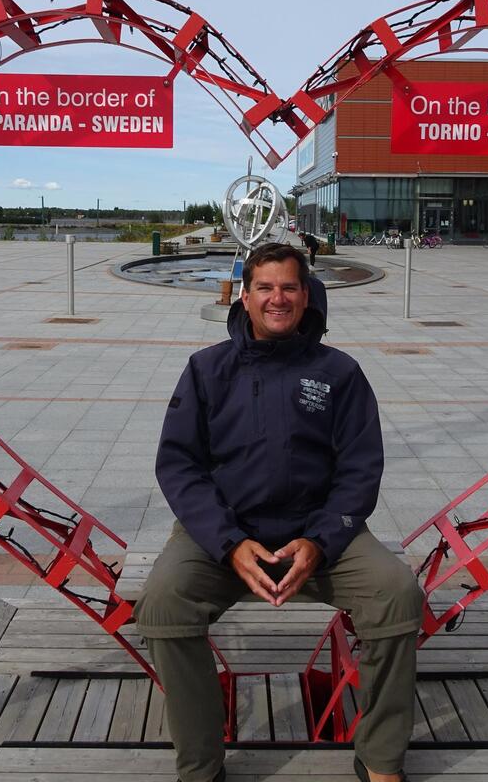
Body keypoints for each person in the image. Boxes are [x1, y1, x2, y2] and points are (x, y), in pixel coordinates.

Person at [136, 242, 422, 782]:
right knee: (163, 603)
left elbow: (361, 470)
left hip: (319, 538)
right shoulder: (206, 370)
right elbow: (178, 465)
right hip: (225, 535)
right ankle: (200, 765)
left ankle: (381, 759)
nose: (277, 298)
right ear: (244, 296)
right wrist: (226, 541)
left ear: (307, 295)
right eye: (264, 287)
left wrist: (320, 540)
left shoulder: (339, 372)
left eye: (289, 287)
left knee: (395, 593)